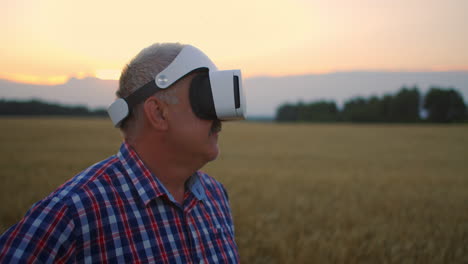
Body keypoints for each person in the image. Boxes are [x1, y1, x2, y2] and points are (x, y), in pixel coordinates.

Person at [0, 43, 241, 263]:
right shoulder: (73, 213)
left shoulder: (215, 196)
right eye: (206, 96)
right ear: (158, 113)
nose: (220, 116)